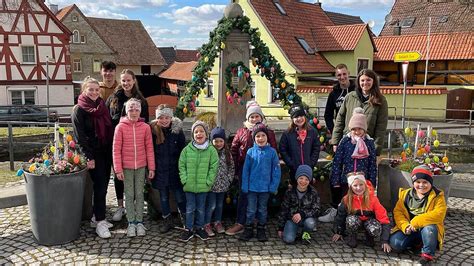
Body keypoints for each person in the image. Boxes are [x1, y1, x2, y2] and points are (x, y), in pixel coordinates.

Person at [226, 101, 278, 236]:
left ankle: (259, 224)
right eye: (252, 117)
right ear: (248, 118)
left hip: (264, 169)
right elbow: (234, 150)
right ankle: (241, 223)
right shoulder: (241, 131)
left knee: (261, 201)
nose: (254, 119)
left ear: (261, 117)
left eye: (257, 116)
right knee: (244, 197)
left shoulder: (268, 132)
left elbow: (273, 152)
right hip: (246, 168)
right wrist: (236, 170)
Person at [71, 76, 114, 238]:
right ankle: (101, 222)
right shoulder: (79, 109)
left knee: (102, 186)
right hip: (92, 153)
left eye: (97, 89)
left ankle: (97, 217)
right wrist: (89, 157)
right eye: (91, 89)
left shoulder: (102, 106)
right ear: (84, 90)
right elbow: (79, 137)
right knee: (100, 186)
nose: (95, 92)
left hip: (105, 151)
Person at [320, 107, 377, 223]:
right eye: (354, 129)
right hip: (346, 178)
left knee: (359, 201)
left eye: (360, 129)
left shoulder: (369, 143)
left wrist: (372, 182)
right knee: (343, 200)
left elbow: (372, 164)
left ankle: (356, 221)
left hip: (362, 179)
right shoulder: (345, 141)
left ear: (364, 129)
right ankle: (338, 216)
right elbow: (337, 161)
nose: (357, 132)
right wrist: (335, 179)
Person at [106, 69, 149, 222]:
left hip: (135, 145)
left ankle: (136, 209)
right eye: (123, 80)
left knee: (136, 183)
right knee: (119, 177)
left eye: (128, 80)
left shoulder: (141, 100)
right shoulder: (114, 98)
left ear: (134, 80)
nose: (126, 83)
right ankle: (120, 206)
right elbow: (107, 119)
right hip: (117, 141)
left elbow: (146, 122)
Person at [112, 98, 155, 237]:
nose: (134, 112)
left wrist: (152, 167)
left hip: (141, 166)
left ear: (140, 111)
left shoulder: (145, 127)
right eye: (131, 109)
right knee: (129, 195)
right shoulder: (120, 127)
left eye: (137, 109)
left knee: (139, 194)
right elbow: (116, 149)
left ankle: (139, 221)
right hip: (126, 167)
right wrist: (118, 169)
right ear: (126, 111)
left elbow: (149, 148)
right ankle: (131, 222)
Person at [390, 166, 447, 264]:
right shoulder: (405, 194)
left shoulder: (437, 196)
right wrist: (405, 226)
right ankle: (417, 243)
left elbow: (439, 214)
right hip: (410, 228)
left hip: (426, 228)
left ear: (430, 183)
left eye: (425, 182)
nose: (421, 185)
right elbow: (398, 212)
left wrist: (415, 222)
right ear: (413, 183)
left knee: (430, 229)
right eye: (418, 182)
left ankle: (427, 255)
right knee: (396, 244)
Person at [330, 69, 388, 156]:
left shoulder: (380, 100)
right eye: (362, 80)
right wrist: (335, 142)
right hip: (348, 143)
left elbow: (381, 127)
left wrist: (376, 149)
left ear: (374, 81)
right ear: (358, 81)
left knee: (363, 170)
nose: (365, 83)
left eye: (368, 80)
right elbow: (340, 120)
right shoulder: (349, 97)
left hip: (367, 146)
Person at [239, 123, 281, 242]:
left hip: (265, 188)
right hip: (252, 188)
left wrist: (273, 186)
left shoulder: (272, 152)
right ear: (254, 138)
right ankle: (248, 228)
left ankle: (261, 228)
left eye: (263, 135)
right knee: (251, 209)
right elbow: (246, 170)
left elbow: (276, 170)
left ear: (267, 137)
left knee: (262, 209)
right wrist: (245, 186)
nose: (260, 138)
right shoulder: (250, 152)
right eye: (258, 136)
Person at [178, 121, 218, 242]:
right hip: (189, 186)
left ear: (206, 134)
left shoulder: (211, 150)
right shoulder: (186, 150)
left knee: (201, 208)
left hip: (203, 186)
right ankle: (189, 229)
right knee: (190, 208)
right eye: (196, 132)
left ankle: (200, 228)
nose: (199, 134)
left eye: (201, 131)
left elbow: (213, 167)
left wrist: (209, 181)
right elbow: (182, 165)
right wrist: (184, 180)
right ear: (192, 135)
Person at [150, 104, 187, 233]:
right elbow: (151, 151)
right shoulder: (153, 132)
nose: (164, 120)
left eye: (167, 117)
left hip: (175, 171)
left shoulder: (177, 132)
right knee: (164, 197)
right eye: (161, 118)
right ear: (157, 119)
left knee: (179, 197)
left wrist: (183, 169)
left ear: (171, 118)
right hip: (160, 171)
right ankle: (167, 220)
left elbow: (183, 152)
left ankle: (185, 219)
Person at [332, 172, 391, 253]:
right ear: (350, 187)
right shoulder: (346, 199)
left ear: (365, 185)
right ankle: (352, 236)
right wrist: (338, 232)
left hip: (369, 221)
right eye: (355, 185)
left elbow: (384, 219)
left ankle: (369, 236)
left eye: (361, 184)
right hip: (354, 222)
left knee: (375, 229)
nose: (359, 188)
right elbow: (340, 216)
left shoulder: (373, 199)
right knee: (351, 220)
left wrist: (385, 240)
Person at [277, 165, 320, 244]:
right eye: (301, 178)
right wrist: (281, 228)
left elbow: (317, 210)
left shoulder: (313, 192)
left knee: (310, 223)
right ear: (297, 178)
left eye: (306, 179)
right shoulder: (289, 192)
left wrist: (302, 214)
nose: (303, 182)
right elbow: (283, 210)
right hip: (292, 220)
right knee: (288, 239)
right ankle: (295, 231)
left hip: (307, 219)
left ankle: (305, 233)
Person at [204, 127, 235, 236]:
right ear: (211, 141)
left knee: (220, 205)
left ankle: (217, 222)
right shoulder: (208, 153)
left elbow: (231, 168)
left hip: (223, 185)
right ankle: (207, 224)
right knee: (211, 205)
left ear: (224, 142)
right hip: (212, 186)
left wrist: (229, 179)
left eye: (221, 141)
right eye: (215, 141)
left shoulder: (227, 153)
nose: (218, 143)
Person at [279, 104, 320, 184]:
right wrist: (291, 163)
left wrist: (311, 163)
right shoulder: (287, 133)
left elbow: (316, 147)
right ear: (292, 119)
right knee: (295, 191)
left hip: (308, 169)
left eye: (301, 116)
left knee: (308, 191)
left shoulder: (312, 132)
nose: (299, 119)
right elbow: (282, 149)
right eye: (296, 117)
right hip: (295, 169)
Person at [324, 64, 355, 134]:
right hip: (341, 132)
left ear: (348, 74)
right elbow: (328, 115)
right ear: (336, 76)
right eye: (339, 75)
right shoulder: (333, 94)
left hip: (356, 131)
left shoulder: (357, 91)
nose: (342, 77)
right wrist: (333, 131)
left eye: (344, 74)